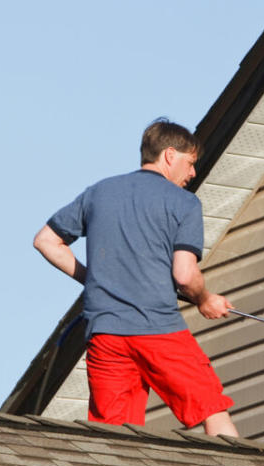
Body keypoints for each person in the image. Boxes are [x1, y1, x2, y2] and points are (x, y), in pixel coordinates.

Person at [32, 118, 239, 437]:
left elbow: (46, 240)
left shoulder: (99, 192)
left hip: (106, 336)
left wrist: (93, 279)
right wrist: (205, 299)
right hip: (159, 330)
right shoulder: (183, 203)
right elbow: (184, 274)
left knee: (113, 439)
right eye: (190, 163)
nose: (192, 173)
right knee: (213, 413)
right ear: (170, 155)